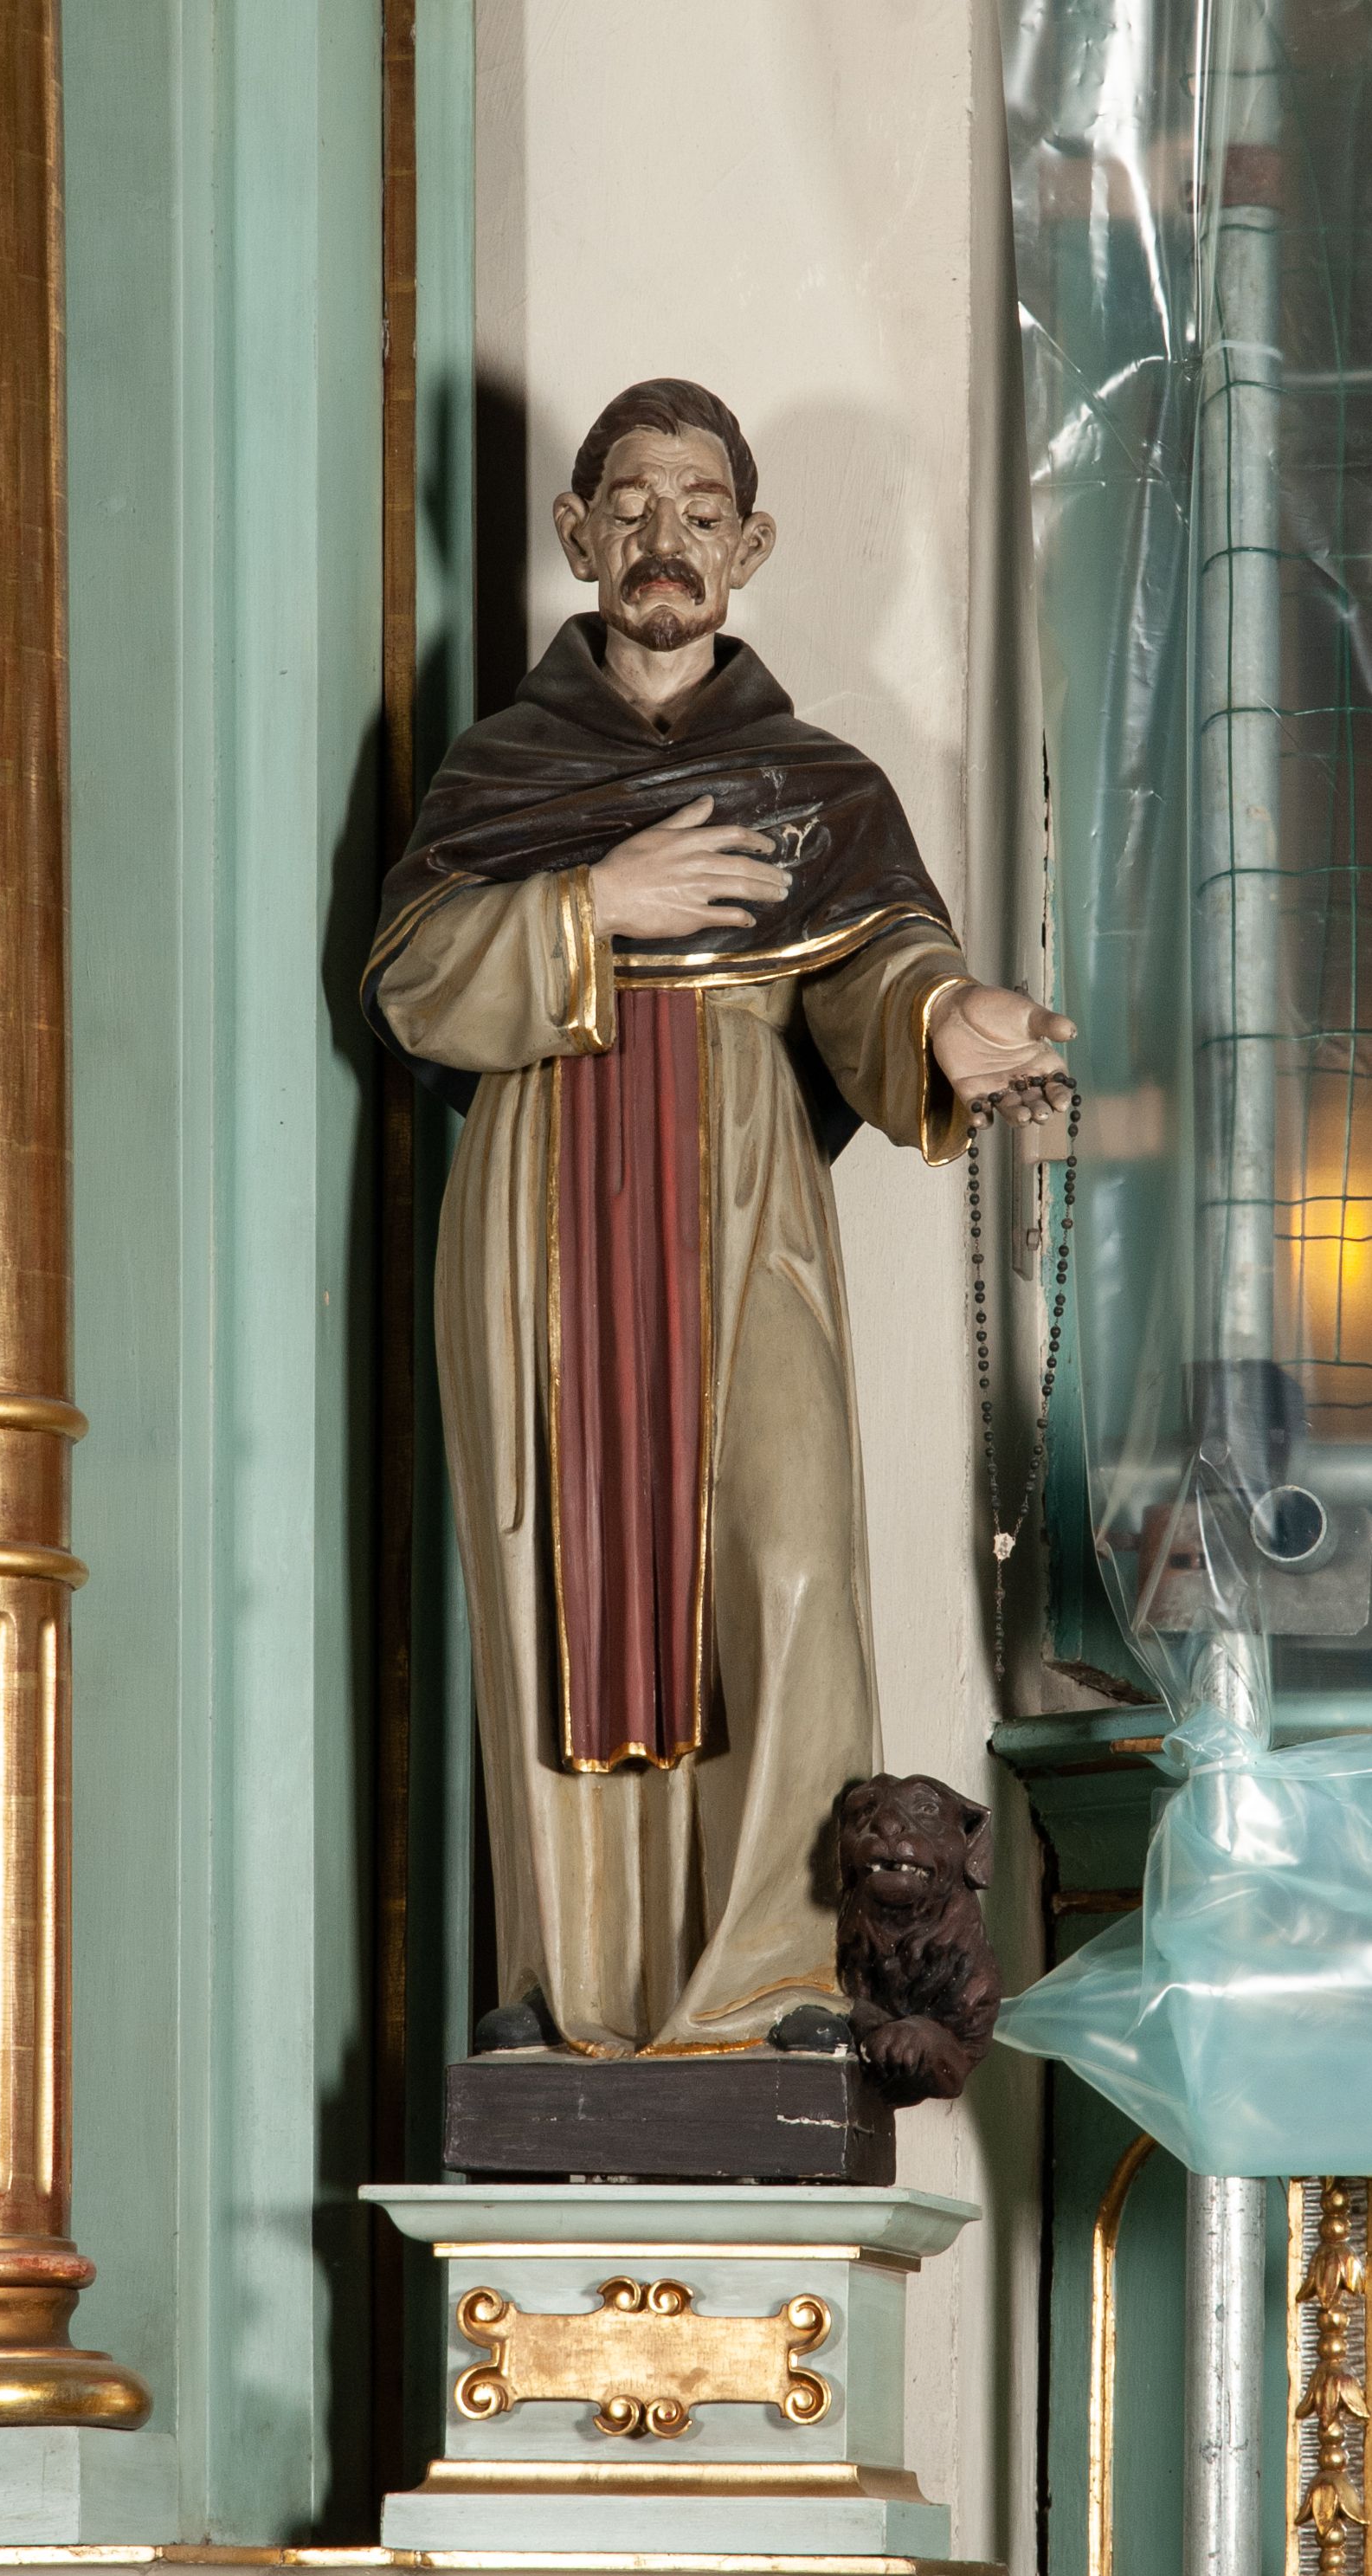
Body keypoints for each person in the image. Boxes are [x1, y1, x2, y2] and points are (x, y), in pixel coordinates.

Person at [364, 378, 1072, 2056]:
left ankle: (773, 1986)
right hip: (542, 1198)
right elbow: (412, 981)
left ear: (748, 548)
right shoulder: (497, 771)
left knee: (788, 1558)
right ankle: (573, 1996)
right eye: (629, 505)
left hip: (741, 1194)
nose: (662, 539)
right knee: (553, 1572)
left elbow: (875, 965)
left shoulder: (815, 784)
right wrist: (589, 903)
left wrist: (950, 1018)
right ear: (575, 535)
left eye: (698, 511)